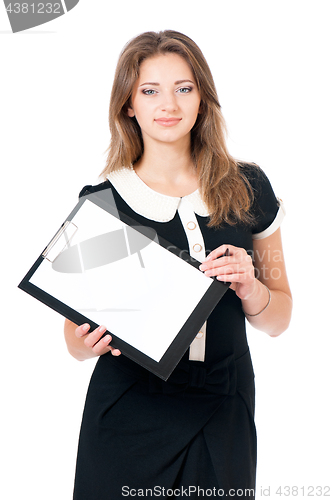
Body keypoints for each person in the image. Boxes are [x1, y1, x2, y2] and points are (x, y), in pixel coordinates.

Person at [64, 30, 292, 499]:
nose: (168, 104)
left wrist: (252, 288)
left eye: (183, 88)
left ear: (202, 98)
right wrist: (87, 340)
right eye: (150, 91)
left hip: (222, 410)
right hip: (128, 413)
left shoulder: (248, 186)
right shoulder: (103, 202)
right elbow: (73, 341)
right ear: (128, 105)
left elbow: (280, 319)